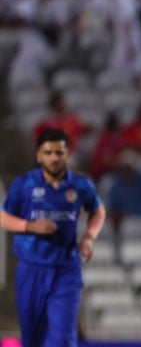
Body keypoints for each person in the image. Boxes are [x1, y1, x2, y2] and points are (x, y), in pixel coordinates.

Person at [0, 128, 106, 347]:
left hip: (66, 270)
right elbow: (3, 217)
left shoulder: (80, 186)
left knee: (62, 339)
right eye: (48, 153)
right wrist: (30, 226)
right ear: (39, 155)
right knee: (32, 339)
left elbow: (98, 210)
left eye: (59, 153)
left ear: (67, 155)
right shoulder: (24, 185)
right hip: (31, 269)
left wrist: (88, 237)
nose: (54, 158)